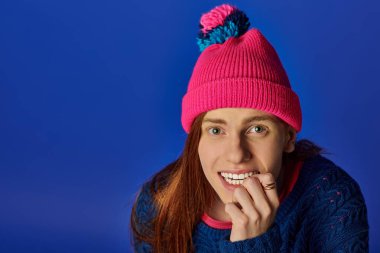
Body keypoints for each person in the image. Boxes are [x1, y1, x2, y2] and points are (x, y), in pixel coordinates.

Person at [130, 4, 369, 252]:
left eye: (257, 129)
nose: (236, 154)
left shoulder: (332, 198)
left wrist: (253, 244)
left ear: (288, 137)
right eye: (216, 130)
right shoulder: (160, 204)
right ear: (196, 140)